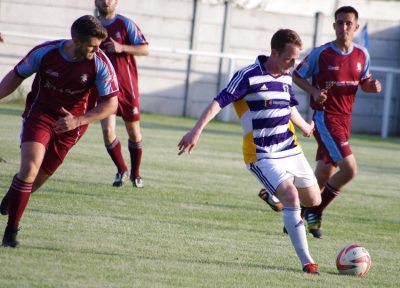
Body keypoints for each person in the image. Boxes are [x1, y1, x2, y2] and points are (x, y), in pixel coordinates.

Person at [178, 29, 321, 274]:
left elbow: (289, 107)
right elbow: (218, 101)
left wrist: (306, 127)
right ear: (274, 52)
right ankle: (307, 262)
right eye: (289, 58)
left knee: (314, 200)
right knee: (292, 197)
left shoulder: (286, 77)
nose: (293, 64)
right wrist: (196, 130)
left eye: (296, 58)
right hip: (261, 154)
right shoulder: (247, 75)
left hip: (290, 148)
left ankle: (275, 196)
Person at [0, 15, 119, 248]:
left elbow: (110, 104)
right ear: (76, 40)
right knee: (30, 169)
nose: (97, 50)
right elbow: (15, 77)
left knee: (37, 178)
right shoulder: (45, 53)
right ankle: (10, 233)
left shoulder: (100, 63)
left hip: (72, 125)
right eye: (93, 46)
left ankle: (12, 197)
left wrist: (78, 120)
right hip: (40, 115)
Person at [293, 6, 382, 238]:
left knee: (323, 174)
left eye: (348, 23)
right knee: (350, 170)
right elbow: (296, 75)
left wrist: (370, 86)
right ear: (334, 26)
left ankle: (296, 217)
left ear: (356, 27)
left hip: (345, 121)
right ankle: (316, 210)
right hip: (326, 118)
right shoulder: (321, 54)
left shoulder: (363, 55)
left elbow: (364, 80)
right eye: (340, 23)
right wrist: (313, 91)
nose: (344, 27)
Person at [94, 0, 149, 188]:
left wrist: (122, 47)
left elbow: (145, 48)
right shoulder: (91, 26)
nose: (106, 1)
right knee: (108, 131)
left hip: (127, 88)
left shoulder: (125, 24)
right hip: (104, 89)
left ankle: (136, 174)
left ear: (116, 2)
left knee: (133, 132)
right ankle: (121, 169)